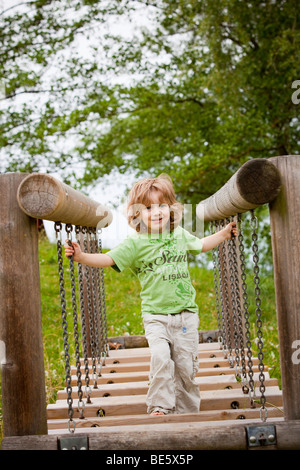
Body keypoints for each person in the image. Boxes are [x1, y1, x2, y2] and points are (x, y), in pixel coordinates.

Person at [64, 174, 237, 416]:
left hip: (186, 315)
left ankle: (188, 411)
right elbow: (109, 258)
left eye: (162, 206)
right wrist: (82, 257)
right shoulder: (136, 243)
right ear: (137, 214)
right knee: (161, 358)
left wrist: (223, 234)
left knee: (186, 367)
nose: (156, 212)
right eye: (148, 208)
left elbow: (201, 244)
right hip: (156, 316)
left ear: (171, 208)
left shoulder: (178, 235)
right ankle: (160, 406)